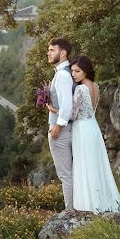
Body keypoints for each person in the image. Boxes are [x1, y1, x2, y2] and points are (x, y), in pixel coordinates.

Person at [69, 55, 120, 230]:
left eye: (77, 71)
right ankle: (100, 203)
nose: (73, 74)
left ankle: (89, 206)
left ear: (86, 71)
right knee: (95, 166)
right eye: (72, 70)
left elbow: (72, 115)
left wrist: (53, 108)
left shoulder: (80, 89)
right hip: (92, 128)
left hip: (82, 129)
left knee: (85, 166)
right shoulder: (96, 86)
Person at [44, 37, 75, 210]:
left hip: (60, 132)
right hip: (64, 129)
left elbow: (67, 105)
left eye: (52, 50)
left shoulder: (62, 75)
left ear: (63, 53)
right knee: (69, 174)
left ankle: (71, 211)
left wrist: (57, 127)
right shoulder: (63, 72)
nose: (48, 53)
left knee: (65, 175)